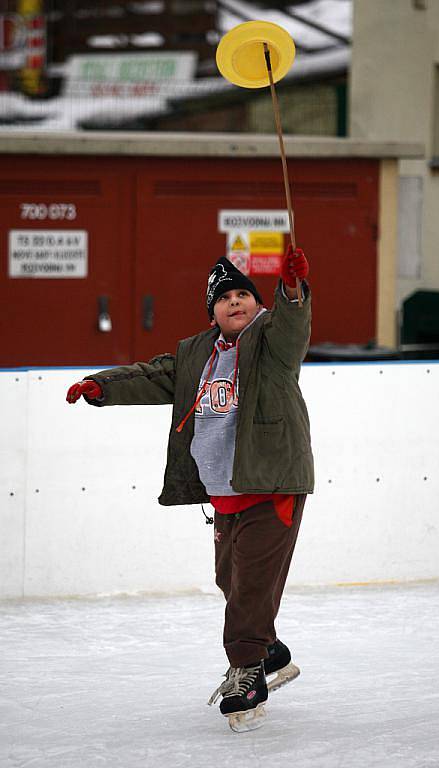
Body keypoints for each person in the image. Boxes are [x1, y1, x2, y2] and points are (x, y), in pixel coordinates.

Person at [66, 246, 314, 732]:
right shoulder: (196, 353)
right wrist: (103, 386)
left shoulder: (272, 339)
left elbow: (293, 324)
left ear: (257, 304)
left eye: (244, 294)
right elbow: (153, 375)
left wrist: (291, 290)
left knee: (252, 588)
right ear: (212, 310)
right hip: (224, 491)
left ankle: (247, 672)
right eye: (224, 298)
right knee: (233, 583)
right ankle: (271, 653)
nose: (235, 302)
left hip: (272, 485)